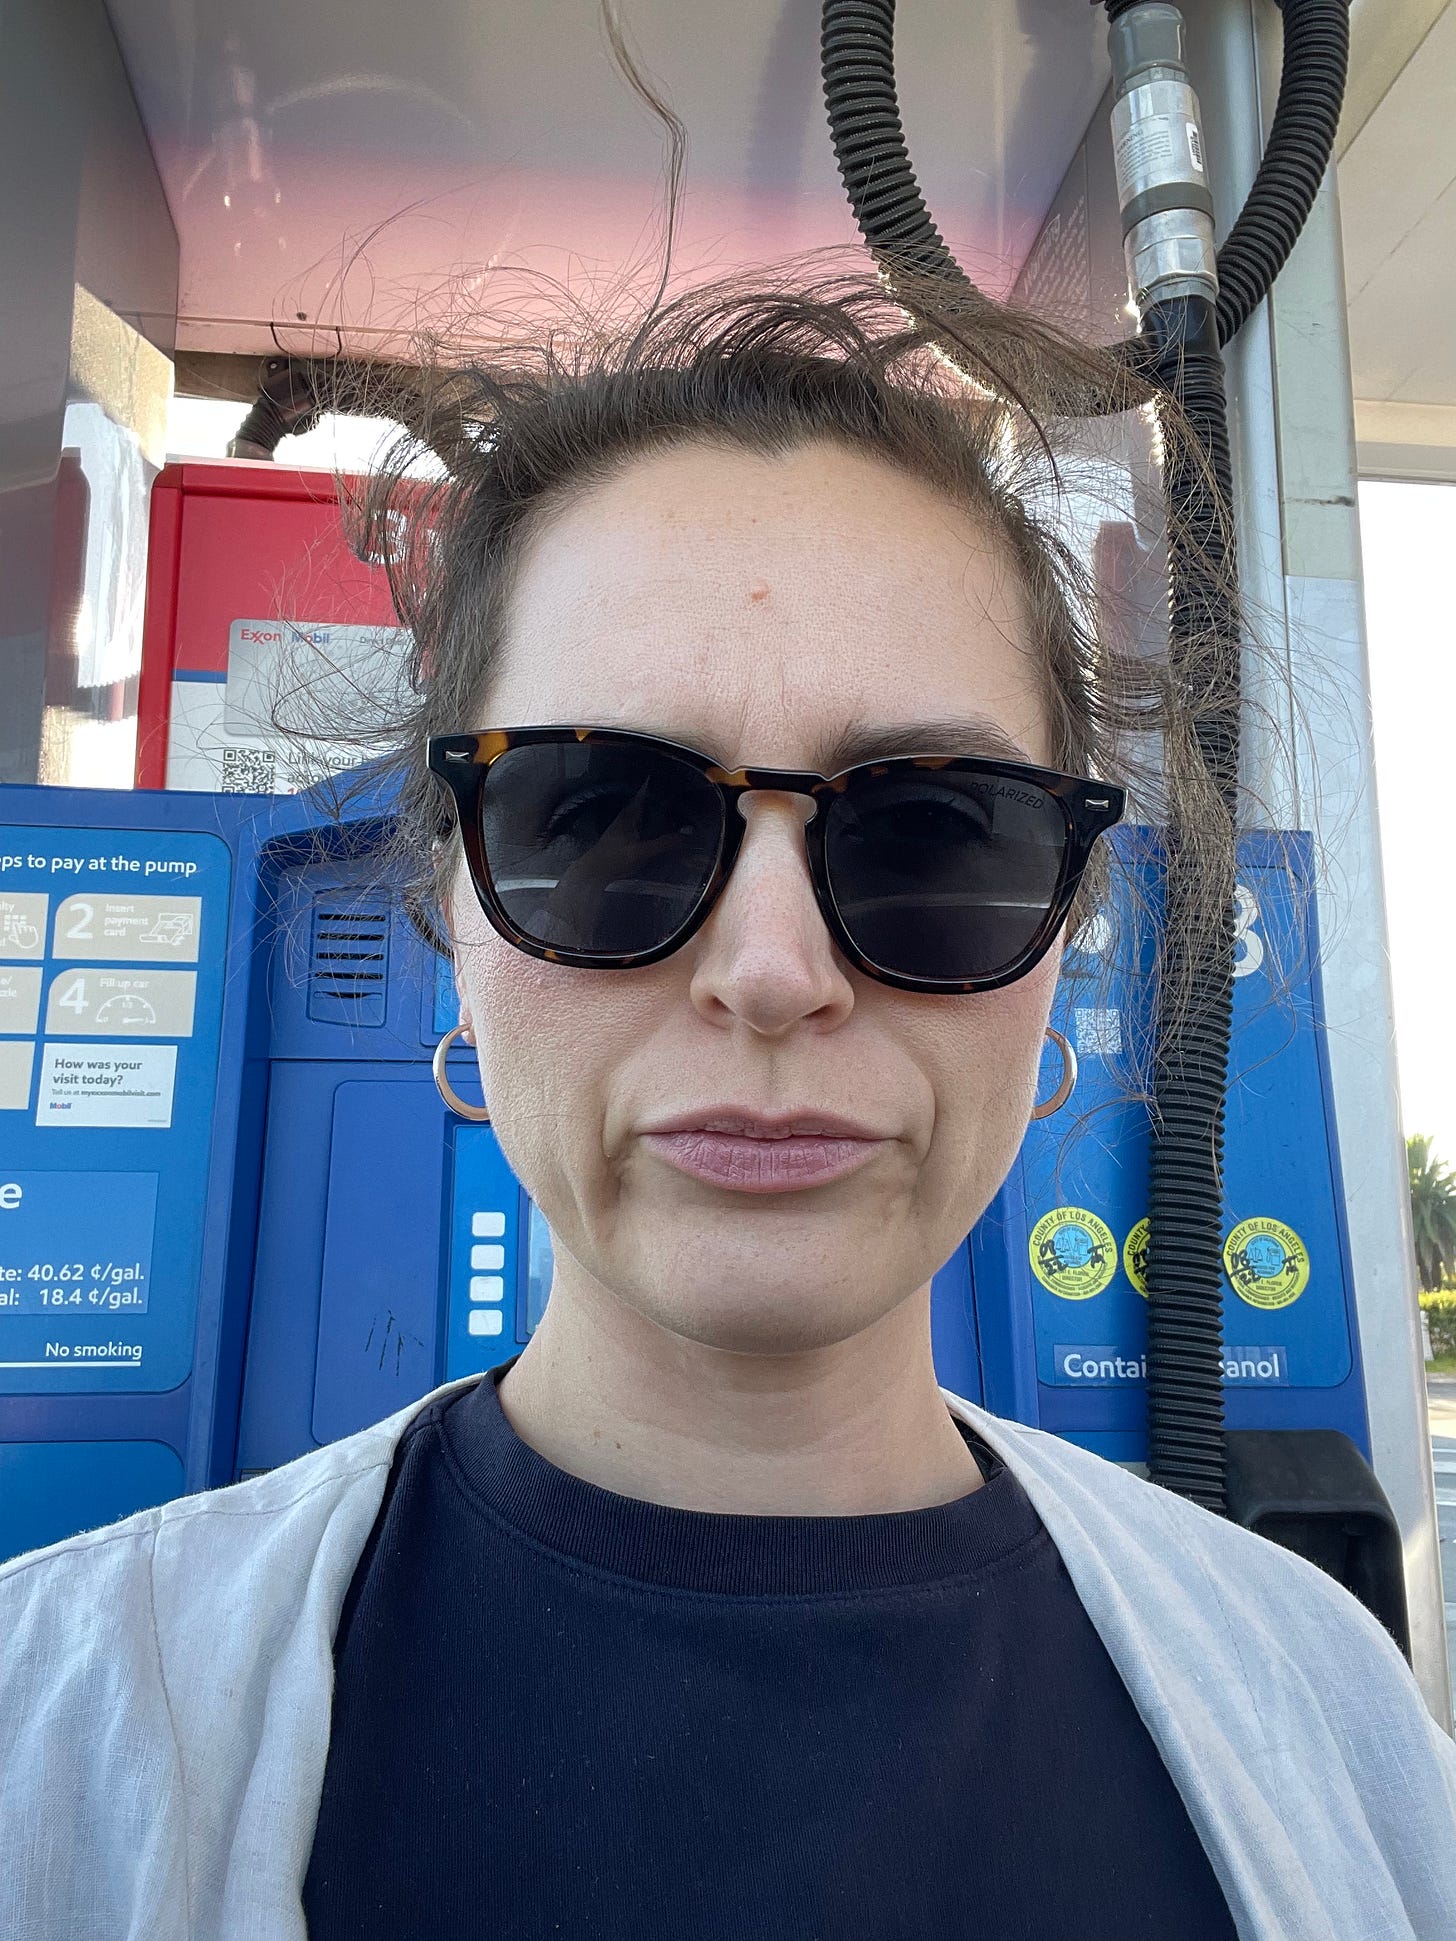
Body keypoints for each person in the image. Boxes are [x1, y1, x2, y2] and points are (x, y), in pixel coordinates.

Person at [3, 271, 1454, 1941]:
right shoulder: (54, 1737)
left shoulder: (1339, 1724)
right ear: (445, 910)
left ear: (1063, 933)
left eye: (937, 833)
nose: (771, 970)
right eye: (604, 813)